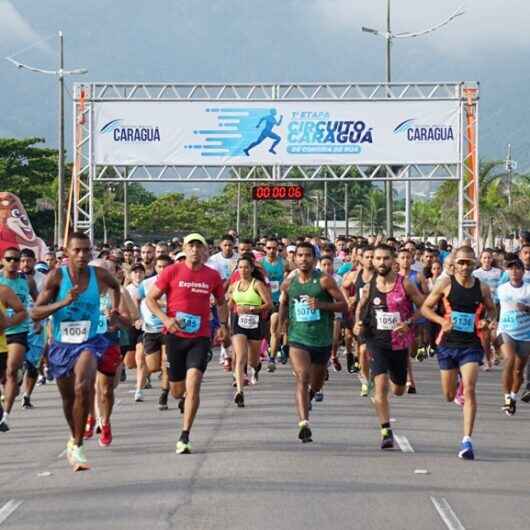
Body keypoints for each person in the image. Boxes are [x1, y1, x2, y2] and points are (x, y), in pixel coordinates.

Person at [32, 232, 121, 471]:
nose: (82, 255)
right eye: (77, 250)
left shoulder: (99, 275)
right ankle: (74, 437)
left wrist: (115, 311)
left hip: (89, 342)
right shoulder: (56, 278)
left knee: (83, 385)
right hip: (61, 346)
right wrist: (62, 303)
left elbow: (116, 286)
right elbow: (35, 313)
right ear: (67, 252)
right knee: (68, 398)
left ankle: (79, 444)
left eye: (86, 250)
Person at [146, 233, 227, 454]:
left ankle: (185, 435)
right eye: (190, 245)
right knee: (176, 390)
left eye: (198, 246)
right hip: (174, 337)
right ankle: (181, 398)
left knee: (194, 384)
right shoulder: (172, 271)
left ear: (204, 251)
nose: (194, 249)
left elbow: (221, 302)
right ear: (184, 248)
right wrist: (166, 320)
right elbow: (150, 299)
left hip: (200, 338)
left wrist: (223, 325)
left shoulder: (212, 275)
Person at [421, 246, 496, 460]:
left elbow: (491, 309)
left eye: (469, 263)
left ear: (475, 264)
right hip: (447, 345)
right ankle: (456, 388)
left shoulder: (481, 288)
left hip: (471, 346)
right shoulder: (445, 284)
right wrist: (441, 321)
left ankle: (467, 440)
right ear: (454, 264)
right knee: (448, 395)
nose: (465, 267)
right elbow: (426, 308)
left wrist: (487, 322)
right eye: (461, 262)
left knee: (470, 389)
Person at [355, 244, 425, 449]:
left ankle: (398, 383)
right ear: (372, 261)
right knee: (381, 386)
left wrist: (410, 323)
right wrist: (359, 323)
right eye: (377, 259)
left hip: (400, 344)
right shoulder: (369, 286)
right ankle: (385, 430)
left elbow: (425, 306)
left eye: (385, 258)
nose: (381, 262)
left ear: (393, 261)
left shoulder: (406, 284)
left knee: (399, 389)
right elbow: (360, 308)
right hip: (376, 342)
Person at [279, 242, 347, 443]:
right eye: (300, 255)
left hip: (322, 340)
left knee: (316, 384)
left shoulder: (324, 281)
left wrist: (321, 305)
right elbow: (283, 302)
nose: (303, 259)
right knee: (302, 376)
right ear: (294, 258)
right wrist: (281, 325)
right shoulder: (289, 282)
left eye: (308, 255)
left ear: (315, 259)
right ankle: (304, 424)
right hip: (297, 338)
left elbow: (343, 305)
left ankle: (310, 395)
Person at [228, 254, 272, 407]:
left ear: (252, 269)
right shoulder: (234, 286)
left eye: (246, 267)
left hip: (255, 322)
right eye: (240, 267)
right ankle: (240, 392)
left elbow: (269, 304)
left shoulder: (257, 284)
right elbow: (229, 303)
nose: (243, 270)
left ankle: (257, 366)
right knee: (240, 357)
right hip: (238, 323)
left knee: (253, 360)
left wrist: (252, 309)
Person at [0, 247, 36, 430]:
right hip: (1, 333)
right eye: (9, 259)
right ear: (3, 261)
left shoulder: (26, 281)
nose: (13, 263)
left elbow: (38, 301)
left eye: (16, 259)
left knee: (11, 369)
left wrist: (38, 319)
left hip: (18, 329)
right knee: (4, 373)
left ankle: (5, 415)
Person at [496, 254, 530, 416]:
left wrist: (526, 309)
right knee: (509, 359)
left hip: (525, 334)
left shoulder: (529, 289)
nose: (514, 271)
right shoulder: (502, 288)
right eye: (511, 268)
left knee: (518, 371)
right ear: (507, 271)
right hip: (505, 330)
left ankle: (514, 397)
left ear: (523, 271)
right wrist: (491, 323)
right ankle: (507, 398)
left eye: (517, 268)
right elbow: (495, 307)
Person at [341, 246, 374, 388]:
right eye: (367, 257)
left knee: (375, 351)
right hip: (361, 317)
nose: (370, 260)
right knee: (362, 350)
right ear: (361, 259)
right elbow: (343, 286)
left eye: (373, 257)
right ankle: (365, 381)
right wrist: (349, 299)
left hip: (379, 317)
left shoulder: (382, 276)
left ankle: (377, 374)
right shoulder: (355, 275)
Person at [0, 284, 27, 431]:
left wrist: (7, 323)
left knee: (10, 375)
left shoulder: (3, 290)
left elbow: (22, 312)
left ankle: (5, 413)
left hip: (5, 343)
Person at [259, 237, 287, 372]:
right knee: (265, 332)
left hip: (277, 301)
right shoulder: (259, 264)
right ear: (264, 249)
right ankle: (272, 347)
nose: (271, 251)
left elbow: (297, 272)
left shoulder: (284, 263)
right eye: (269, 248)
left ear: (278, 249)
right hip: (262, 302)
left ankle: (271, 358)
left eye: (274, 248)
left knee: (274, 329)